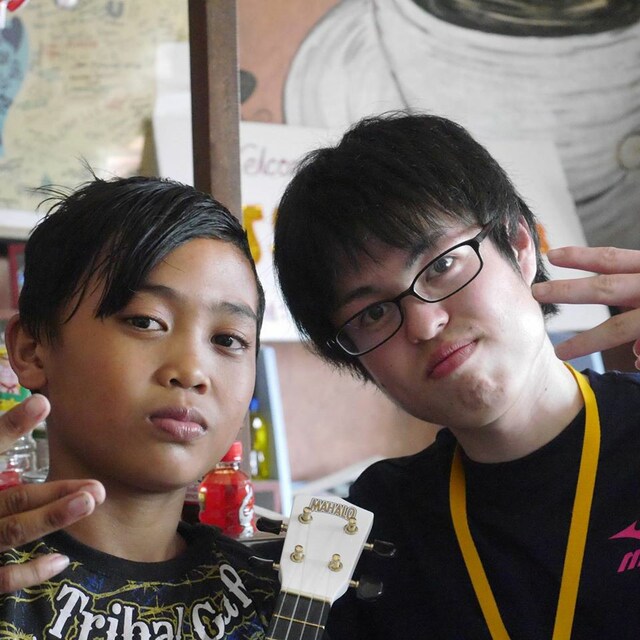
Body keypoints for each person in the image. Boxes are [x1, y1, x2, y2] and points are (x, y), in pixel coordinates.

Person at [273, 111, 640, 638]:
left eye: (441, 265)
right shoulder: (373, 526)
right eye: (373, 313)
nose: (424, 324)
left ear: (519, 246)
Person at [0, 175, 277, 636]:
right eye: (146, 321)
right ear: (32, 349)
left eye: (228, 339)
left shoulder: (272, 600)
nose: (191, 371)